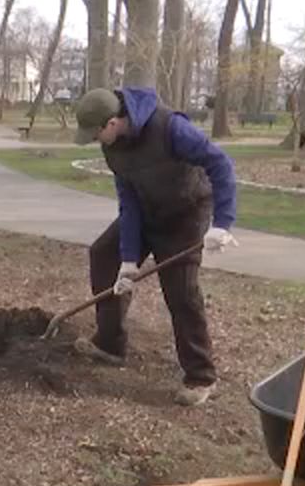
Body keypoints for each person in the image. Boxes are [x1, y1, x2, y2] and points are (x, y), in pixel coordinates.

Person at [71, 86, 239, 406]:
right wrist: (129, 260)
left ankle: (201, 375)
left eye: (95, 134)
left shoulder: (171, 128)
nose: (95, 141)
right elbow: (129, 201)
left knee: (181, 290)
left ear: (111, 123)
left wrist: (222, 224)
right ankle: (110, 343)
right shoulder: (114, 148)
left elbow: (221, 165)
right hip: (148, 209)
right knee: (103, 253)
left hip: (186, 212)